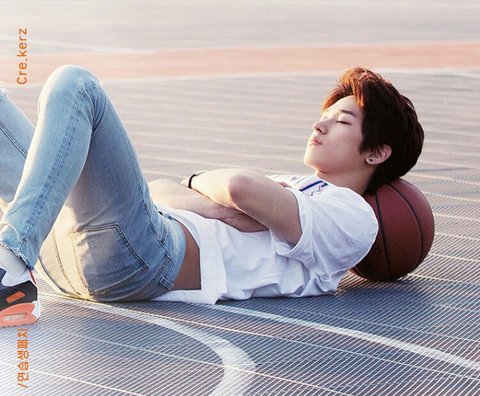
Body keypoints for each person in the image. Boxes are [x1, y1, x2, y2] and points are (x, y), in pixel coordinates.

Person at [0, 65, 424, 327]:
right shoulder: (295, 186)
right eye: (324, 116)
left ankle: (13, 265)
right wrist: (214, 204)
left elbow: (240, 187)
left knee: (76, 84)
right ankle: (15, 261)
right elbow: (161, 189)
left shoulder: (353, 215)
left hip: (144, 256)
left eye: (342, 121)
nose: (320, 125)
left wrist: (219, 192)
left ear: (376, 153)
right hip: (73, 255)